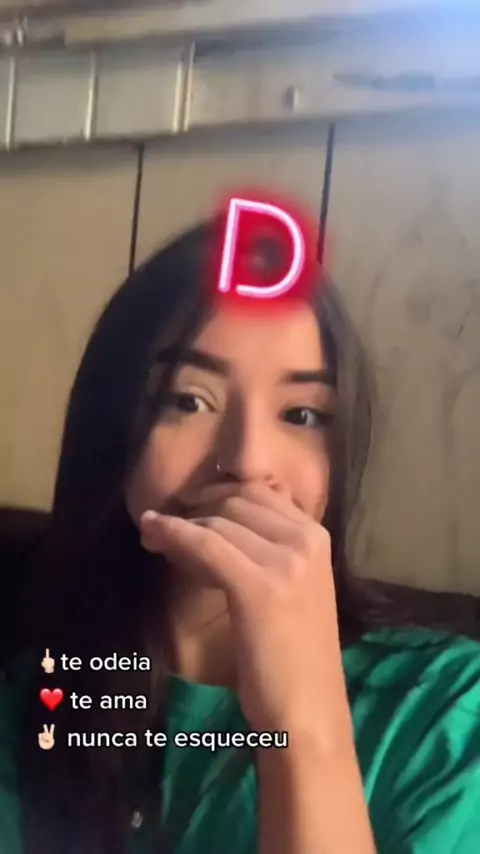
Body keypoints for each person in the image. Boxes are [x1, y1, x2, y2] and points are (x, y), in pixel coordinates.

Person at [0, 212, 479, 854]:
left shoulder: (449, 712)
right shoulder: (37, 695)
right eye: (188, 400)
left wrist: (304, 719)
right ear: (110, 425)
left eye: (301, 414)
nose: (249, 462)